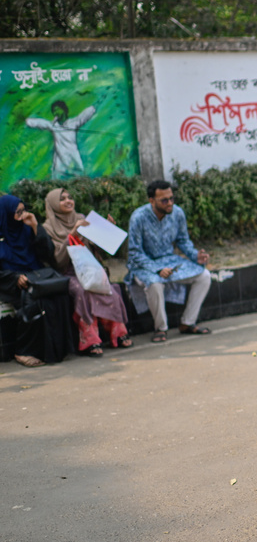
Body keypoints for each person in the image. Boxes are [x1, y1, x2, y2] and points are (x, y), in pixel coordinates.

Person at [42, 188, 131, 357]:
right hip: (68, 273)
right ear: (53, 204)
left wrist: (107, 230)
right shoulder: (48, 228)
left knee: (110, 290)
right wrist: (72, 234)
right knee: (84, 292)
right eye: (62, 199)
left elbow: (97, 248)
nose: (68, 201)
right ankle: (91, 340)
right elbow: (57, 260)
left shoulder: (82, 219)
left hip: (91, 270)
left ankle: (118, 333)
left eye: (70, 197)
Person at [125, 180, 212, 342]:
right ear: (151, 200)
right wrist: (156, 269)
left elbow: (183, 241)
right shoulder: (138, 217)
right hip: (143, 265)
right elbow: (135, 252)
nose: (170, 203)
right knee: (155, 283)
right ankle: (161, 329)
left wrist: (195, 256)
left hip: (170, 260)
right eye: (164, 200)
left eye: (171, 198)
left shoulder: (177, 213)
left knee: (204, 276)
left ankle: (188, 322)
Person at [0, 195, 75, 367]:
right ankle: (23, 351)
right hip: (10, 282)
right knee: (35, 302)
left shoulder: (26, 229)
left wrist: (35, 226)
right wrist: (14, 277)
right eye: (17, 212)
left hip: (37, 277)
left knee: (59, 296)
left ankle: (56, 350)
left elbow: (47, 254)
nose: (23, 215)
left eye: (24, 210)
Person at [26, 97, 104, 180]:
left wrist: (95, 105)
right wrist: (27, 121)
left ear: (64, 110)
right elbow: (40, 123)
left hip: (74, 160)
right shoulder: (53, 126)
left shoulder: (73, 123)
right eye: (54, 111)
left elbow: (84, 116)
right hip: (60, 163)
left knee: (80, 181)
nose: (55, 113)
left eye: (57, 109)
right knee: (57, 182)